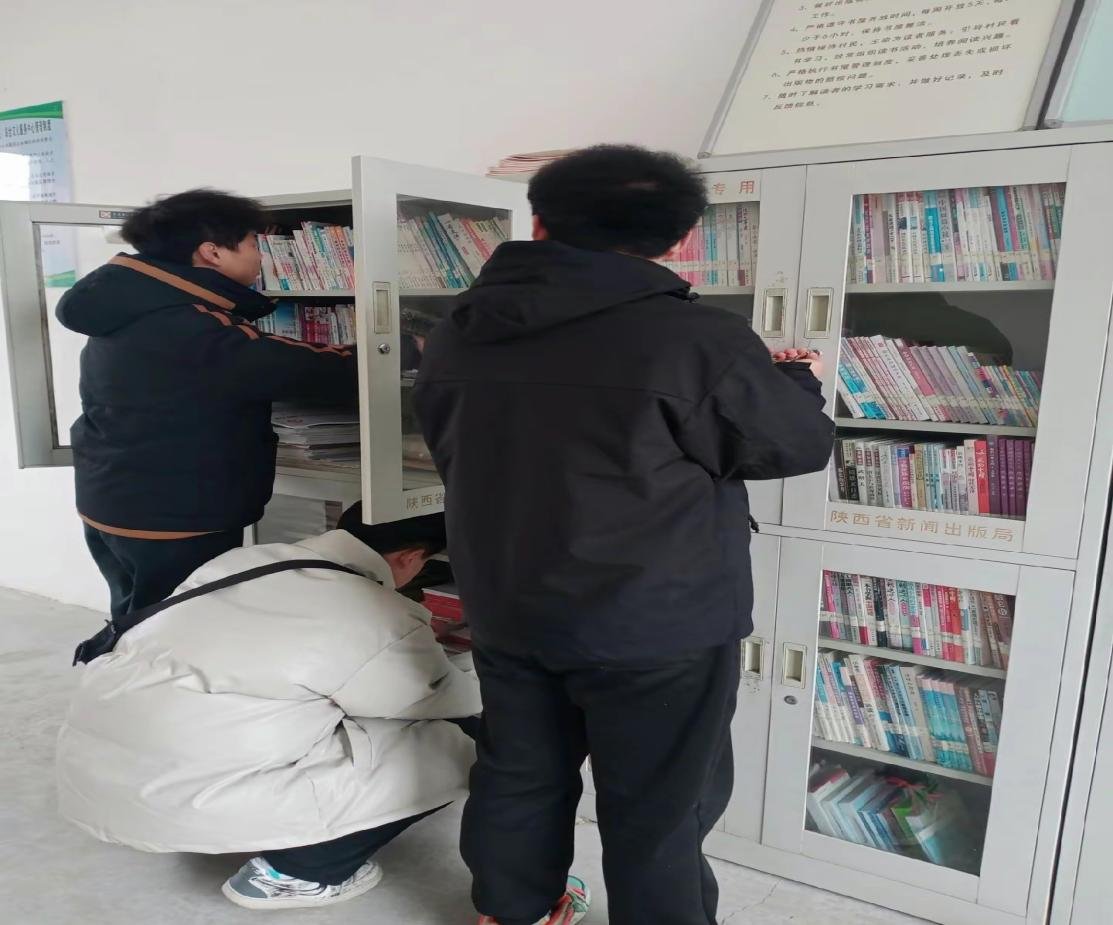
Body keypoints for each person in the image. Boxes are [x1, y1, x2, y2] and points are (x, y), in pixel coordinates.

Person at [414, 145, 835, 925]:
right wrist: (795, 382)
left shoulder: (458, 330)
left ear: (539, 222)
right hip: (654, 617)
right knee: (659, 805)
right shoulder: (698, 338)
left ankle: (513, 910)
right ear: (678, 240)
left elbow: (450, 444)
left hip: (507, 599)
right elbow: (791, 446)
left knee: (518, 770)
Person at [56, 507, 482, 911]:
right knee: (459, 741)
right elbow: (447, 698)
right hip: (182, 800)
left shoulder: (242, 562)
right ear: (410, 557)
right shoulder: (374, 610)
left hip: (92, 777)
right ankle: (297, 873)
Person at [56, 189, 358, 618]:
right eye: (254, 244)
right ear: (212, 252)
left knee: (138, 620)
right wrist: (396, 350)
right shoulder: (188, 321)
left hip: (114, 499)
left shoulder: (132, 306)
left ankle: (121, 657)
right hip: (174, 516)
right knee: (180, 628)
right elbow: (295, 367)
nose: (262, 257)